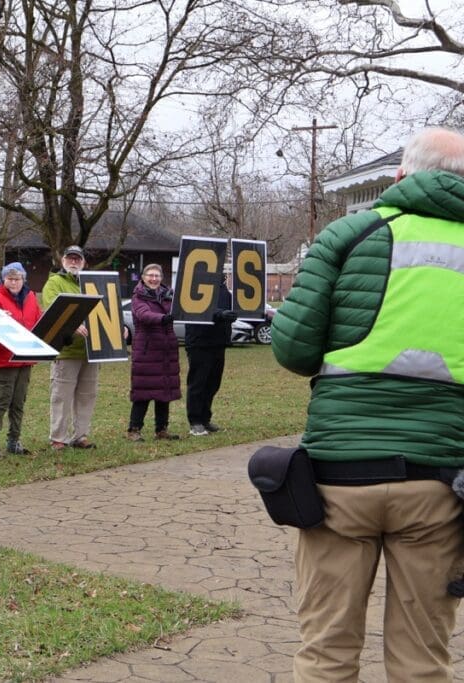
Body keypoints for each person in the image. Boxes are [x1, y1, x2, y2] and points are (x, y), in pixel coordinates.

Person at [271, 127, 464, 681]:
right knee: (424, 658)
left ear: (401, 176)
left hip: (338, 481)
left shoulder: (348, 235)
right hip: (438, 483)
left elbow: (293, 350)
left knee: (326, 649)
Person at [0, 262, 41, 458]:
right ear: (3, 279)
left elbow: (38, 319)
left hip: (25, 357)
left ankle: (14, 440)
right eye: (10, 279)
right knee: (2, 401)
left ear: (24, 280)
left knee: (19, 402)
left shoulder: (31, 297)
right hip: (3, 358)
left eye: (17, 279)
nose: (14, 282)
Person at [40, 245, 97, 451]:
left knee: (87, 395)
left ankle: (80, 435)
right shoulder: (54, 282)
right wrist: (72, 325)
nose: (74, 262)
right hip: (66, 351)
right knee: (61, 397)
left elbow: (104, 312)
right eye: (70, 258)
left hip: (91, 351)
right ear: (63, 261)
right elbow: (51, 310)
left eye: (78, 259)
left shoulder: (92, 284)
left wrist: (116, 331)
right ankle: (58, 438)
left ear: (84, 263)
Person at [126, 263, 181, 441]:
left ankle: (162, 429)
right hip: (146, 350)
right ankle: (134, 430)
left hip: (167, 350)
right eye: (150, 275)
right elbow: (144, 315)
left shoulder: (170, 296)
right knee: (143, 391)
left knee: (164, 391)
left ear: (161, 278)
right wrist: (163, 318)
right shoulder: (138, 297)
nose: (154, 278)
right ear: (143, 277)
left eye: (157, 275)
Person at [184, 275, 238, 436]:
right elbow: (196, 306)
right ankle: (195, 422)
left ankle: (205, 418)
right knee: (198, 383)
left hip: (218, 342)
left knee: (213, 383)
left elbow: (234, 308)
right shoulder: (195, 282)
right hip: (199, 342)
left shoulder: (223, 289)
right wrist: (220, 314)